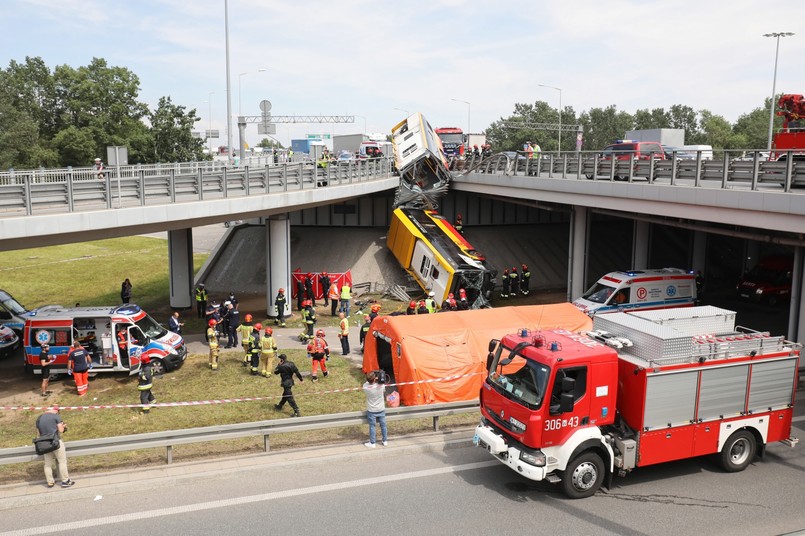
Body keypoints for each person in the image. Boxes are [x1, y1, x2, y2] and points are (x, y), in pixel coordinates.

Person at [35, 406, 74, 488]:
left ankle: (50, 482)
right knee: (62, 462)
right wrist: (64, 427)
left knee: (47, 464)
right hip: (56, 442)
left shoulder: (39, 418)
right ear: (56, 410)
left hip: (44, 443)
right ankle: (65, 481)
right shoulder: (56, 416)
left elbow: (38, 434)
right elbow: (61, 430)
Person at [362, 371, 388, 448]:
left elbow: (368, 382)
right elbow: (382, 386)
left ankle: (372, 443)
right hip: (381, 409)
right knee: (383, 425)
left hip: (371, 410)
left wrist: (373, 379)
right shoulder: (381, 386)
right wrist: (378, 379)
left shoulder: (365, 387)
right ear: (375, 379)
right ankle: (385, 441)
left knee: (372, 426)